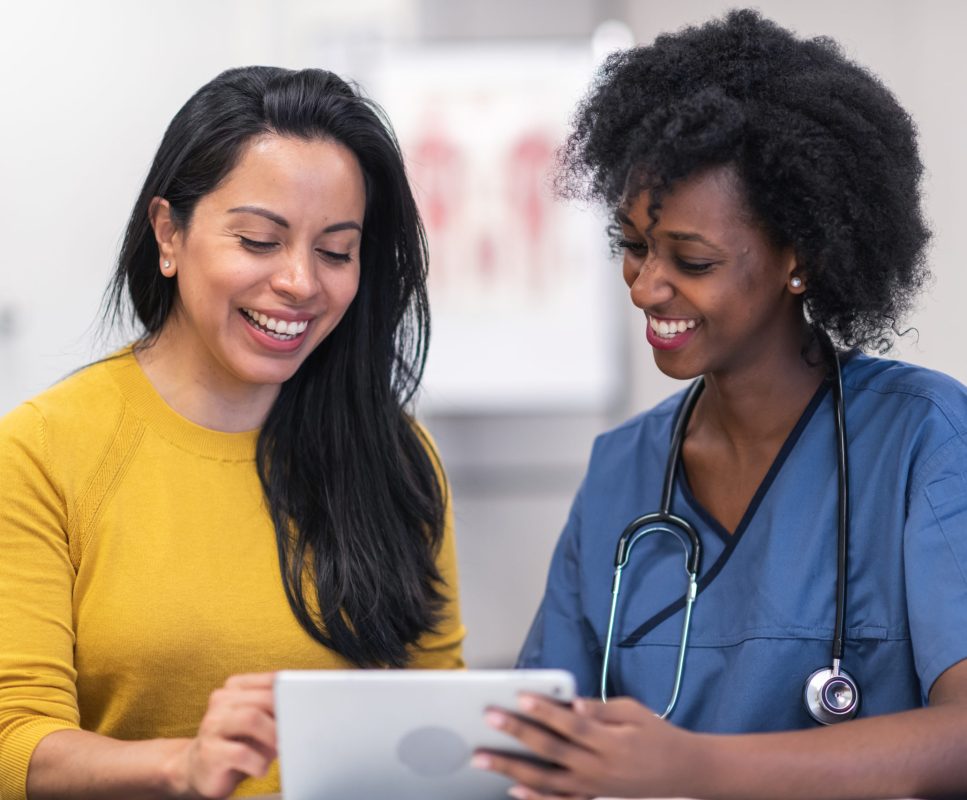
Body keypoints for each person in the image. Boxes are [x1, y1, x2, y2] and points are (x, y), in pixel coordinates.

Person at [472, 10, 967, 800]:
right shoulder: (621, 473)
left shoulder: (920, 438)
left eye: (690, 260)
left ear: (796, 259)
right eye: (633, 247)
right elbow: (535, 732)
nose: (645, 286)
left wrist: (695, 768)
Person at [0, 66, 464, 799]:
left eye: (336, 251)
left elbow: (439, 717)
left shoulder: (395, 456)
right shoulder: (43, 451)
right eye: (258, 241)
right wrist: (180, 766)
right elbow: (14, 743)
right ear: (169, 234)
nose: (301, 282)